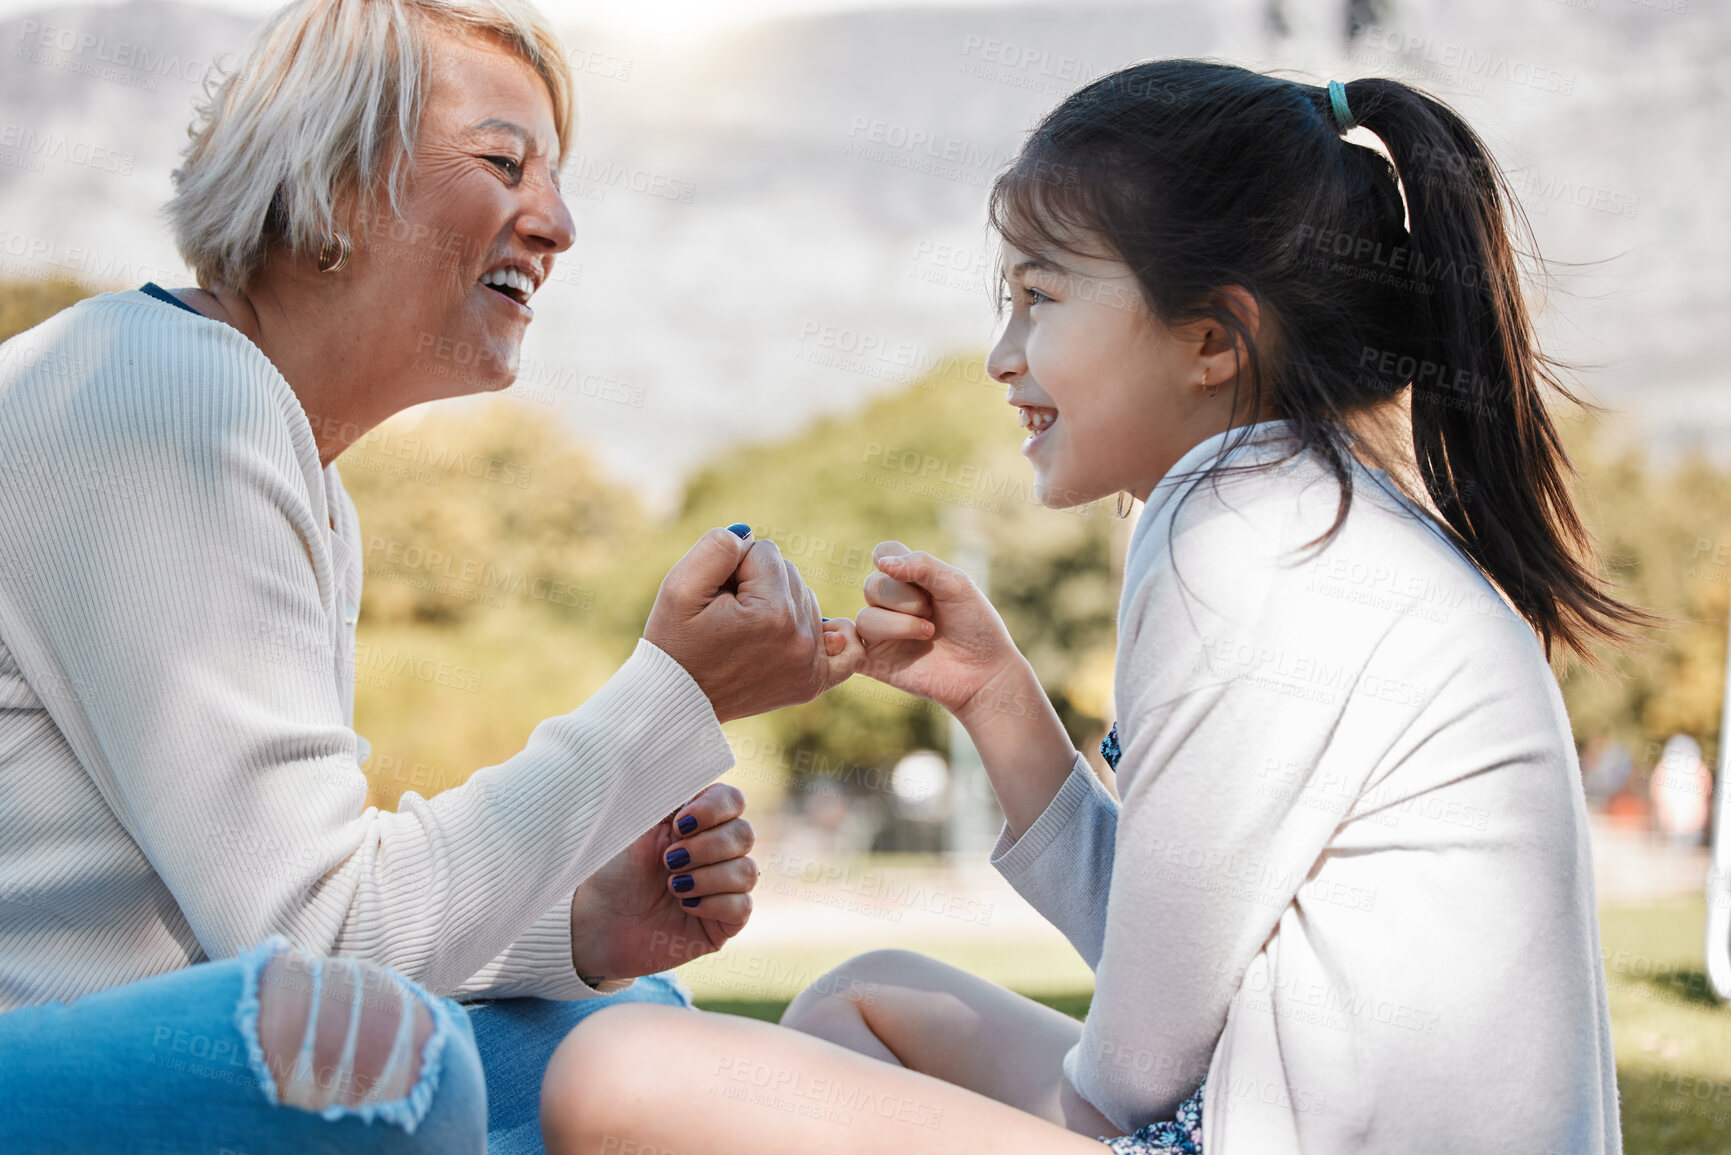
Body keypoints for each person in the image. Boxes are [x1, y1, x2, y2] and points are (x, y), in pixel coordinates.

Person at [539, 63, 1644, 1154]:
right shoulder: (1321, 513)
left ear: (1214, 338)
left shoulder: (1236, 533)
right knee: (864, 1000)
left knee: (619, 1070)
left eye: (1042, 297)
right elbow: (1174, 966)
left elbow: (1137, 1070)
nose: (1000, 355)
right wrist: (998, 699)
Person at [0, 0, 863, 1149]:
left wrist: (584, 927)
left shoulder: (270, 443)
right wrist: (673, 694)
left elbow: (281, 906)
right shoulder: (170, 397)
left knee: (624, 1032)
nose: (556, 224)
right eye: (503, 163)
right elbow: (321, 953)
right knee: (385, 1067)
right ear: (331, 181)